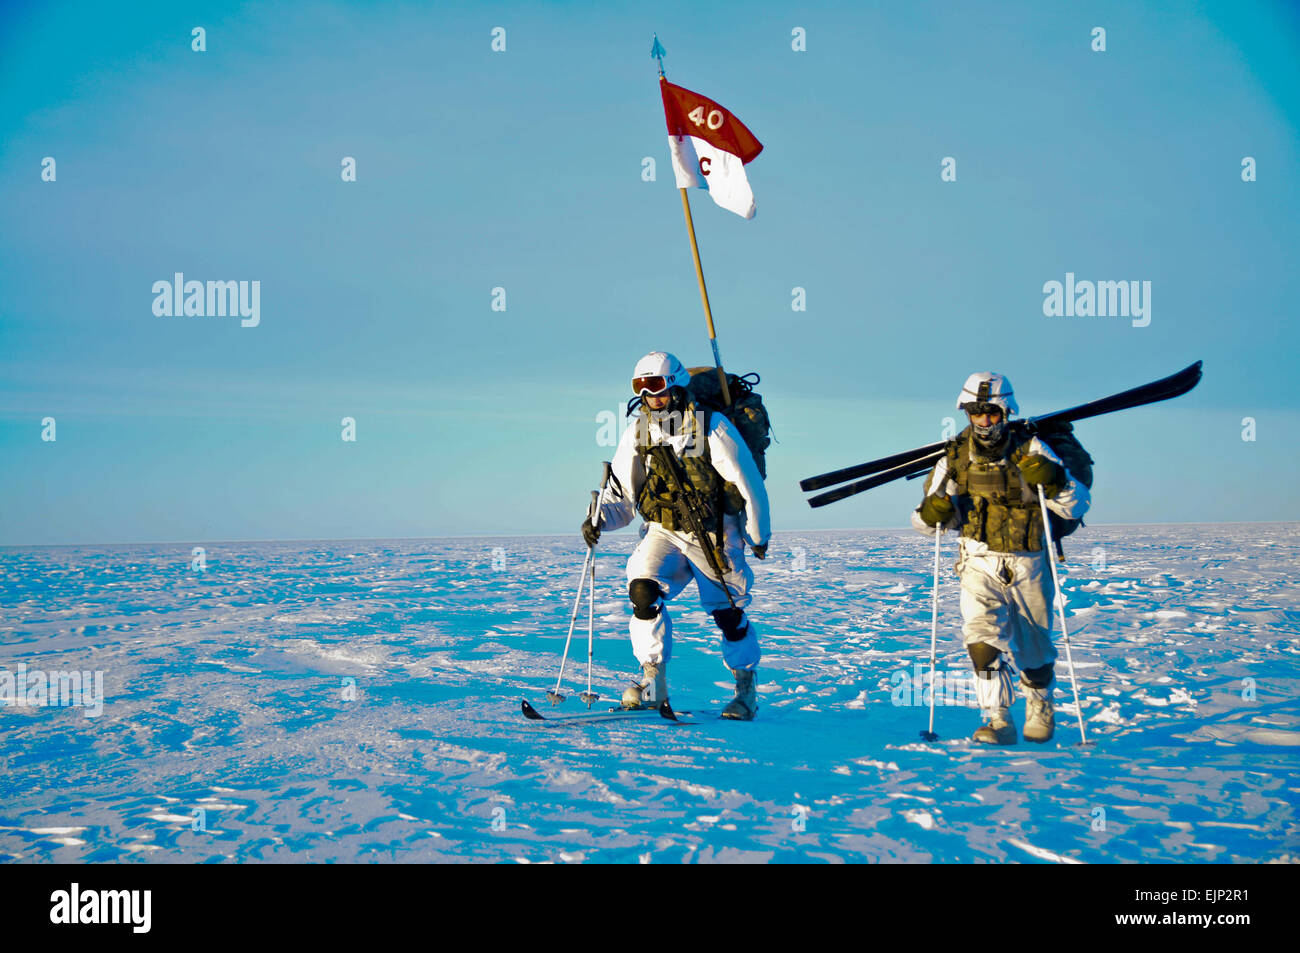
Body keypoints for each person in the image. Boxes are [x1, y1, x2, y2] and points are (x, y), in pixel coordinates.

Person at [581, 351, 771, 719]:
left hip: (714, 531)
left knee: (727, 614)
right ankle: (653, 681)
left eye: (655, 385)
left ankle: (745, 689)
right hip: (664, 529)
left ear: (675, 384)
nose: (649, 395)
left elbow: (748, 483)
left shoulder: (712, 426)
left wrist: (757, 535)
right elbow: (622, 494)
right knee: (642, 589)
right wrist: (598, 518)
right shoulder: (639, 430)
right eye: (641, 387)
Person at [911, 372, 1091, 744]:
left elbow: (1077, 507)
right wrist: (932, 513)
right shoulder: (955, 457)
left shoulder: (1034, 448)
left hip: (1029, 559)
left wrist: (1055, 480)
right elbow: (923, 522)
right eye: (976, 412)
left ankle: (1040, 701)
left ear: (1005, 411)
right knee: (981, 641)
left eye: (991, 412)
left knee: (1034, 647)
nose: (984, 420)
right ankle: (997, 718)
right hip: (977, 558)